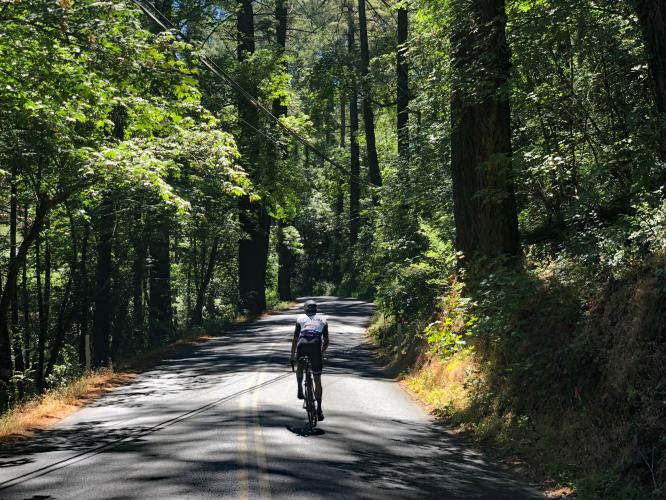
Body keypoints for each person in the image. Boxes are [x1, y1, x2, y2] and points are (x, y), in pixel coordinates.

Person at [290, 299, 329, 421]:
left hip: (302, 345)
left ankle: (300, 389)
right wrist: (321, 353)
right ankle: (319, 410)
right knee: (317, 379)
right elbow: (327, 340)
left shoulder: (300, 319)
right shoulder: (323, 320)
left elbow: (295, 339)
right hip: (315, 345)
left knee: (300, 366)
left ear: (305, 309)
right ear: (316, 309)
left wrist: (292, 356)